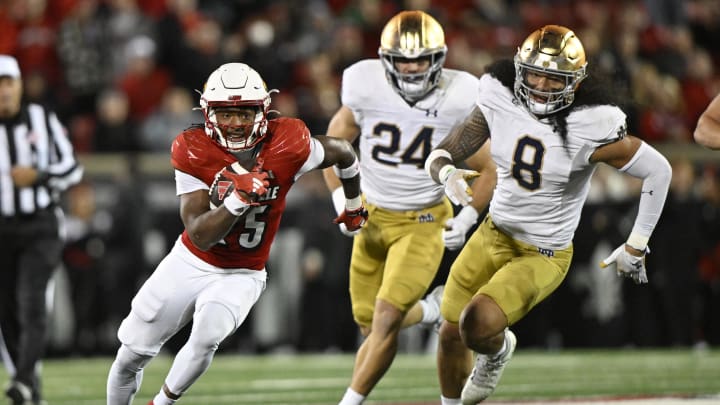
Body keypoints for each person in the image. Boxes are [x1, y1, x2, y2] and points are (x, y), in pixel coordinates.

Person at [423, 25, 672, 404]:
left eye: (554, 78)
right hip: (493, 232)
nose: (540, 84)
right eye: (534, 72)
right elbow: (446, 149)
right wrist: (445, 172)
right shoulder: (499, 95)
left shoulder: (591, 123)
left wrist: (636, 243)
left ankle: (497, 351)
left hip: (542, 253)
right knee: (448, 330)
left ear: (575, 81)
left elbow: (659, 170)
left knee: (475, 325)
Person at [105, 62, 368, 405]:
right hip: (192, 260)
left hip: (244, 271)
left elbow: (344, 152)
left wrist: (351, 204)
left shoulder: (289, 142)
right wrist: (236, 202)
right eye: (225, 114)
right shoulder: (193, 148)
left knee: (207, 335)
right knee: (131, 354)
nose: (234, 123)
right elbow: (198, 232)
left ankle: (162, 402)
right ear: (208, 112)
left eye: (244, 113)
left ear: (262, 111)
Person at [322, 11, 492, 405]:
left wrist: (467, 216)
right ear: (385, 59)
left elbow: (490, 166)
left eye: (420, 59)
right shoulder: (363, 86)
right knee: (370, 323)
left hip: (423, 220)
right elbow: (333, 145)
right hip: (372, 218)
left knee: (384, 319)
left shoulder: (459, 95)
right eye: (403, 60)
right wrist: (343, 201)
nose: (412, 68)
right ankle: (431, 310)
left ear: (439, 58)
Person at [0, 54, 84, 405]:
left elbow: (73, 168)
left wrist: (40, 175)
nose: (2, 91)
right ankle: (30, 388)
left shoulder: (41, 118)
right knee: (6, 312)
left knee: (32, 302)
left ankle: (21, 380)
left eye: (7, 82)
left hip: (40, 225)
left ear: (19, 85)